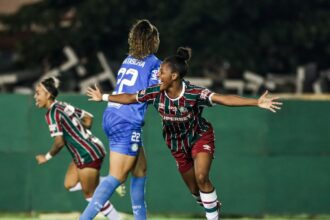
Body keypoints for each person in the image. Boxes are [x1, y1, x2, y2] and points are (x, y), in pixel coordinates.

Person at [86, 47, 283, 220]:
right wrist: (103, 96)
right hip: (176, 144)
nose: (157, 75)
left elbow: (224, 99)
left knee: (201, 177)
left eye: (161, 72)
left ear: (174, 76)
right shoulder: (155, 92)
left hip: (199, 136)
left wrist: (256, 102)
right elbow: (129, 97)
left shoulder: (194, 93)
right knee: (195, 190)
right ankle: (211, 205)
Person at [80, 19, 161, 220]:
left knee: (140, 171)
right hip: (126, 120)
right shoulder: (154, 63)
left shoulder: (128, 60)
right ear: (153, 40)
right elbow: (150, 93)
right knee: (117, 176)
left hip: (113, 115)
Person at [34, 77, 120, 220]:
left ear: (48, 95)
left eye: (38, 93)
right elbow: (89, 118)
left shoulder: (51, 113)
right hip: (87, 149)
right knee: (70, 184)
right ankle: (104, 181)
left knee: (90, 195)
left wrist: (47, 157)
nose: (35, 97)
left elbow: (59, 142)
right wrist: (80, 132)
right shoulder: (62, 106)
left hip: (87, 153)